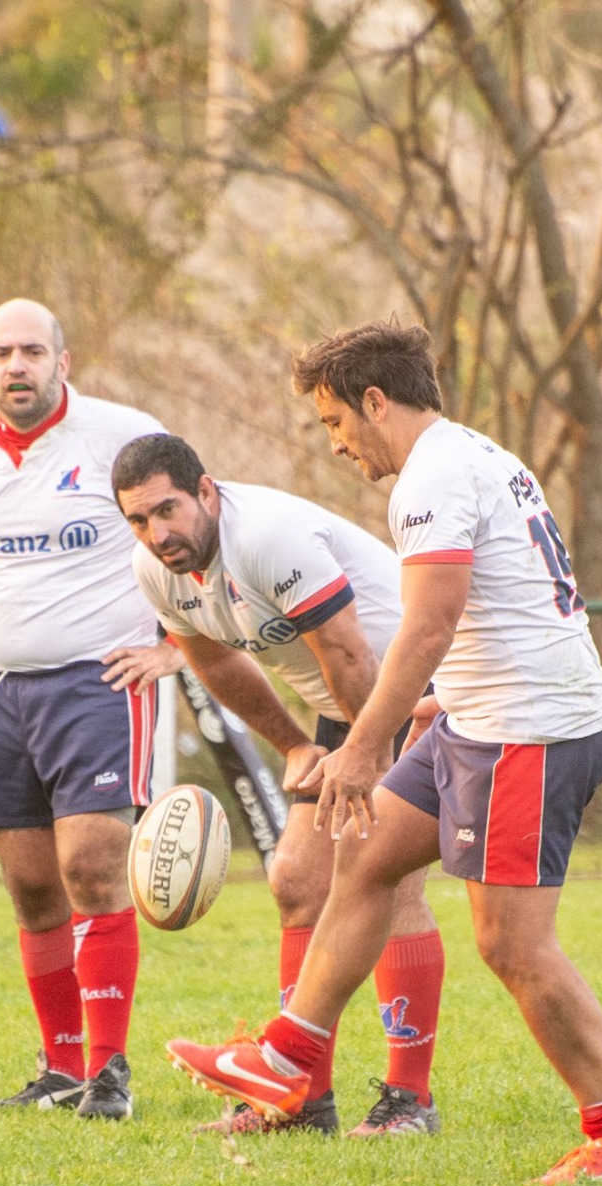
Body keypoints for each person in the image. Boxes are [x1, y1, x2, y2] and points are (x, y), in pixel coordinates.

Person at [167, 322, 602, 1185]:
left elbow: (429, 622)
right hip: (483, 717)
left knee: (513, 946)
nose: (336, 445)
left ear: (375, 400)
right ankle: (289, 1057)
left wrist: (360, 747)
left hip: (527, 733)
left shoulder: (430, 478)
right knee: (364, 855)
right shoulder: (475, 455)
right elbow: (494, 610)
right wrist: (445, 698)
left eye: (334, 423)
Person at [113, 432, 446, 1139]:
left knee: (386, 873)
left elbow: (350, 650)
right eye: (138, 520)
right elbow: (211, 661)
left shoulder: (266, 536)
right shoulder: (157, 569)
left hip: (417, 691)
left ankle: (408, 1101)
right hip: (345, 703)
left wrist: (368, 756)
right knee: (297, 877)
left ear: (206, 491)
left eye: (168, 510)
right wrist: (295, 744)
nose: (157, 533)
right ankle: (297, 1097)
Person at [0, 299, 181, 1122]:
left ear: (65, 360)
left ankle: (110, 1073)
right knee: (31, 889)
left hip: (98, 682)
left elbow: (195, 529)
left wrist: (174, 642)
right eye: (2, 353)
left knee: (93, 864)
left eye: (32, 350)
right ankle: (59, 1070)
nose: (17, 365)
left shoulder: (118, 438)